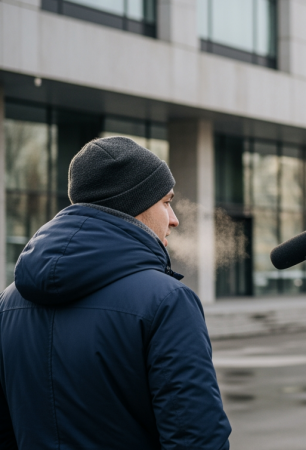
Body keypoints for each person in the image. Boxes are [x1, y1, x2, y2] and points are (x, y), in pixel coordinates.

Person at [0, 137, 231, 449]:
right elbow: (196, 439)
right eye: (165, 202)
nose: (173, 219)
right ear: (133, 204)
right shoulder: (167, 301)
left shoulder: (9, 301)